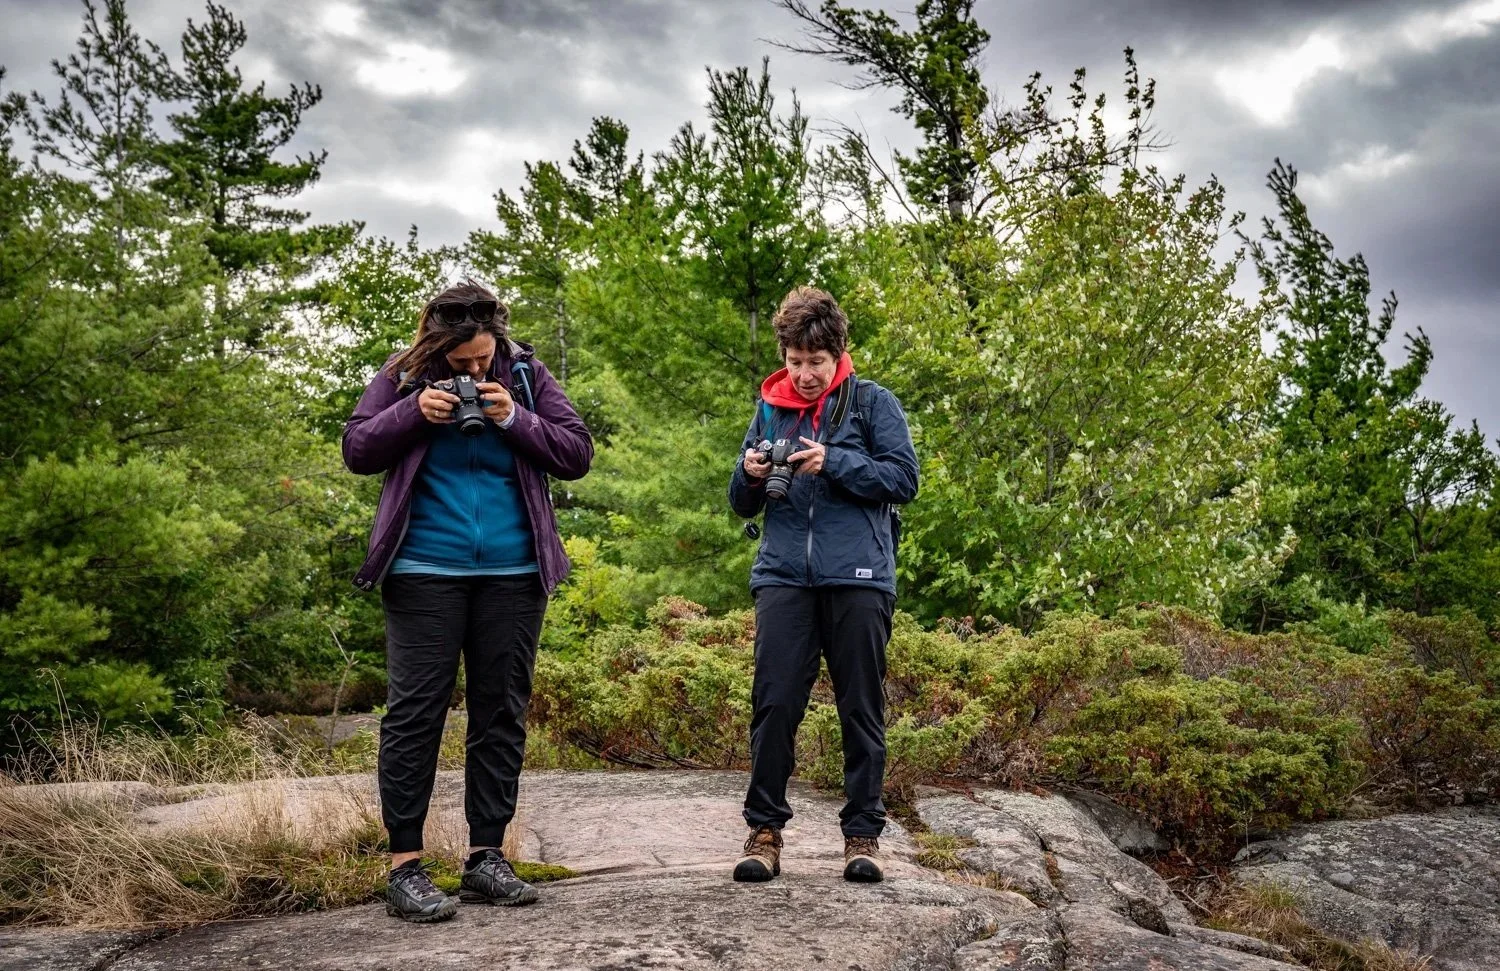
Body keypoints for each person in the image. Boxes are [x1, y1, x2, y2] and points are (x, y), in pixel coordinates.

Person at [343, 279, 592, 922]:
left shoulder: (526, 374)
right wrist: (410, 412)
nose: (475, 370)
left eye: (482, 358)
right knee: (416, 715)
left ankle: (486, 857)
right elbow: (357, 449)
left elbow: (576, 453)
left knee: (500, 711)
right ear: (435, 346)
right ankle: (405, 867)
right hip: (423, 569)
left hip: (513, 571)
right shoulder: (400, 377)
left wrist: (514, 416)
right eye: (462, 365)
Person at [727, 286, 919, 884]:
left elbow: (903, 478)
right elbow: (739, 503)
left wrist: (831, 461)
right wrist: (750, 472)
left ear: (838, 353)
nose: (806, 374)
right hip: (784, 574)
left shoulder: (871, 403)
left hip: (859, 576)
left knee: (859, 708)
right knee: (775, 705)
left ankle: (862, 836)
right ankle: (764, 834)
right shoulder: (768, 408)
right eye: (795, 361)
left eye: (817, 362)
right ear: (783, 355)